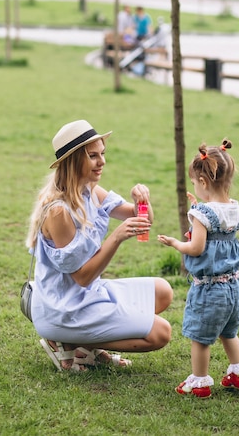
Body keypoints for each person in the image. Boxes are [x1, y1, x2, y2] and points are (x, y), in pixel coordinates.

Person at [25, 119, 173, 372]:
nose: (102, 161)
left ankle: (84, 347)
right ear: (73, 161)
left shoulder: (90, 190)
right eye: (93, 156)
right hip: (63, 308)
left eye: (102, 153)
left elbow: (143, 220)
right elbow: (82, 277)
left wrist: (142, 201)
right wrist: (115, 238)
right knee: (161, 332)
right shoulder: (59, 210)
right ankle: (66, 340)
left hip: (88, 294)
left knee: (163, 291)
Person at [158, 139, 239, 398]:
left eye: (194, 182)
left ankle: (199, 382)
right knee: (228, 332)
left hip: (210, 289)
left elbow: (197, 247)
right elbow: (217, 226)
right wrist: (197, 207)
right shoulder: (234, 208)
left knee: (200, 338)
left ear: (203, 182)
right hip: (235, 286)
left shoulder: (201, 213)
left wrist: (176, 243)